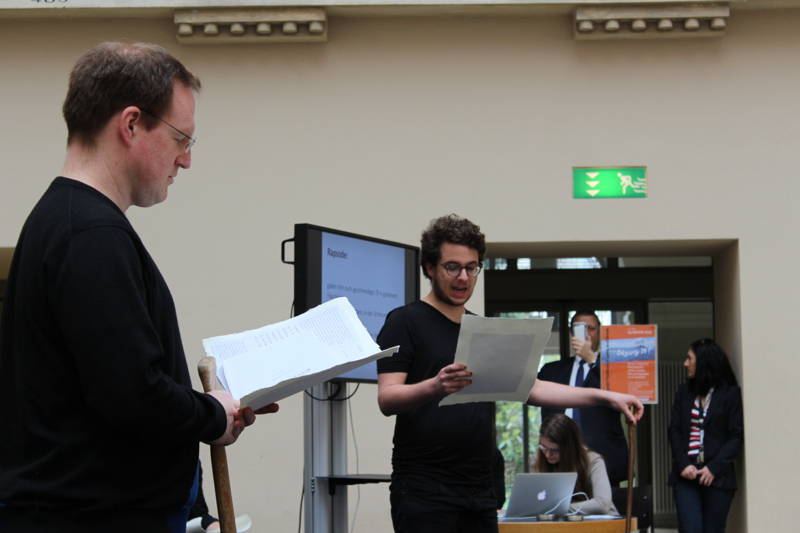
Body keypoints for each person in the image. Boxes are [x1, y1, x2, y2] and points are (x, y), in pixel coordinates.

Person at [0, 42, 277, 533]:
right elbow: (132, 396)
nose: (185, 160)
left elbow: (113, 384)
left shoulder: (68, 222)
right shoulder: (91, 236)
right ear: (131, 124)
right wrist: (212, 415)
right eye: (180, 139)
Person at [376, 214, 643, 533]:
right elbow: (387, 398)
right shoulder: (404, 321)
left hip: (480, 488)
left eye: (472, 268)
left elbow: (533, 388)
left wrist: (606, 396)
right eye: (452, 267)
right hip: (424, 489)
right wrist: (435, 386)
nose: (463, 277)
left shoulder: (481, 329)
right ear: (430, 268)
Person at [537, 310, 629, 485]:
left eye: (591, 329)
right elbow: (529, 391)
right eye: (579, 328)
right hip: (559, 457)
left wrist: (591, 360)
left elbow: (621, 395)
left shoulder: (613, 369)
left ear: (599, 332)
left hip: (603, 457)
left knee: (603, 501)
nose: (586, 334)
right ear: (571, 333)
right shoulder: (551, 370)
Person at [668, 339, 743, 533]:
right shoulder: (683, 392)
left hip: (718, 478)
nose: (685, 363)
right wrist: (684, 464)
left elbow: (736, 436)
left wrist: (713, 468)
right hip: (686, 476)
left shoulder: (730, 394)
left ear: (703, 362)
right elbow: (674, 430)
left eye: (689, 358)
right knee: (690, 528)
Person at [532, 414, 618, 515]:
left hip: (602, 522)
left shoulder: (593, 461)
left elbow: (602, 504)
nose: (547, 454)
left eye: (555, 450)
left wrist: (557, 508)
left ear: (570, 448)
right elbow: (534, 501)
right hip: (560, 522)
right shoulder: (538, 460)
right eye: (543, 447)